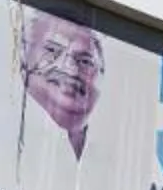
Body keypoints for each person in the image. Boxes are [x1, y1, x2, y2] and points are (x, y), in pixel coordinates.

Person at [18, 10, 107, 158]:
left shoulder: (110, 155)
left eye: (85, 61)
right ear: (24, 55)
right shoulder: (1, 132)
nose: (70, 69)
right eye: (52, 51)